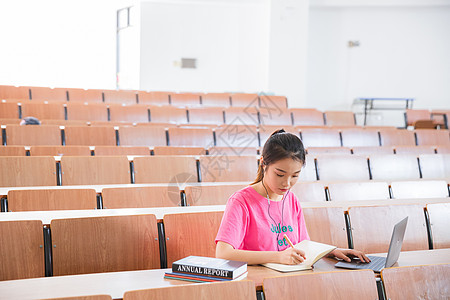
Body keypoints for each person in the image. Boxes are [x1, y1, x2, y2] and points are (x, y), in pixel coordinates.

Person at [215, 129, 370, 265]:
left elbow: (303, 244)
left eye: (295, 175)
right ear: (263, 164)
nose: (287, 183)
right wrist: (278, 257)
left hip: (290, 277)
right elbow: (223, 254)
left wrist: (331, 251)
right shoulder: (241, 201)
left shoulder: (291, 199)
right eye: (280, 174)